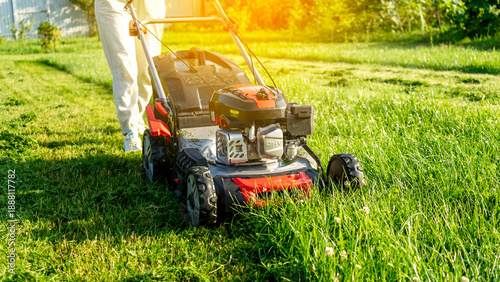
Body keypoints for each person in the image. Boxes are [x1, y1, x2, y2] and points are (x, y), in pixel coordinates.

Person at [95, 0, 167, 152]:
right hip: (113, 3)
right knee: (124, 66)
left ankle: (137, 116)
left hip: (149, 3)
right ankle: (131, 131)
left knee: (148, 68)